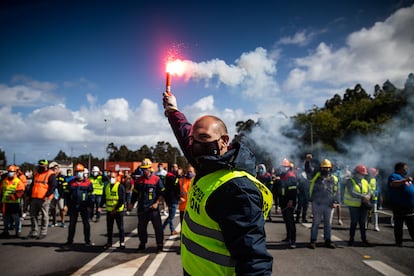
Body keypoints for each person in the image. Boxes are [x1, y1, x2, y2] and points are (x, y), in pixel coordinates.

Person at [163, 91, 273, 275]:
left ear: (224, 141)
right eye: (193, 140)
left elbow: (253, 259)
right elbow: (185, 133)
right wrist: (173, 110)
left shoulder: (237, 189)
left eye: (204, 138)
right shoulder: (207, 162)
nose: (196, 144)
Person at [130, 158, 165, 253]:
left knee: (158, 228)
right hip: (142, 208)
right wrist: (131, 203)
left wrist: (157, 203)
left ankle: (160, 245)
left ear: (150, 168)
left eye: (146, 168)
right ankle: (142, 243)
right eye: (143, 168)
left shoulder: (156, 179)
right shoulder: (139, 180)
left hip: (153, 209)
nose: (145, 170)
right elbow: (135, 193)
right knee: (141, 228)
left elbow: (161, 193)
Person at [307, 159, 339, 249]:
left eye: (328, 168)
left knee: (328, 223)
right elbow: (308, 171)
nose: (326, 170)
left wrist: (336, 202)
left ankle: (327, 240)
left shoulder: (334, 178)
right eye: (324, 168)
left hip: (329, 204)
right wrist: (308, 161)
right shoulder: (316, 176)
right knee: (316, 222)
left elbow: (337, 191)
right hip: (317, 203)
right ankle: (313, 241)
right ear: (320, 168)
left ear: (330, 168)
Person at [62, 163, 94, 249]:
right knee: (72, 224)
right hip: (73, 206)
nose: (78, 173)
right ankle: (69, 241)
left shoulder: (88, 182)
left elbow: (91, 195)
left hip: (84, 206)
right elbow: (67, 195)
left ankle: (87, 241)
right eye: (77, 172)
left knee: (86, 224)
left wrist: (90, 206)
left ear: (83, 172)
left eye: (80, 171)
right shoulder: (71, 183)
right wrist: (65, 205)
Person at [26, 159, 56, 240]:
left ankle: (43, 232)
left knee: (44, 216)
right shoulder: (36, 174)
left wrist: (47, 195)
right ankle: (34, 231)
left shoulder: (51, 174)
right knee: (33, 215)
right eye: (40, 165)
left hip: (44, 198)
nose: (41, 167)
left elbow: (53, 186)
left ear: (46, 166)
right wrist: (28, 195)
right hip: (34, 197)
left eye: (42, 166)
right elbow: (33, 185)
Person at [387, 162, 414, 246]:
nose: (407, 170)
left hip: (410, 206)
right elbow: (393, 183)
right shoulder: (394, 176)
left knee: (412, 225)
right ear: (399, 169)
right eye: (405, 168)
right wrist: (405, 180)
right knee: (399, 225)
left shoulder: (404, 177)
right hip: (399, 206)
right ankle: (399, 242)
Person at [344, 165, 372, 246]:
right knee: (354, 222)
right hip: (353, 205)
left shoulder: (365, 181)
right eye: (361, 173)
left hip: (363, 205)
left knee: (363, 223)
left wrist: (369, 195)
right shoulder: (350, 181)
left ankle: (364, 239)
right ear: (356, 173)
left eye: (364, 174)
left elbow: (369, 190)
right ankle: (351, 239)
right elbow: (352, 192)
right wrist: (363, 196)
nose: (363, 175)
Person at [100, 171, 126, 249]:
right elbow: (104, 197)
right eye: (110, 177)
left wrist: (116, 208)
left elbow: (122, 200)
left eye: (113, 177)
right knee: (109, 228)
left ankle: (122, 242)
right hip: (109, 210)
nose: (111, 179)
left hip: (118, 211)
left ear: (117, 178)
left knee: (120, 227)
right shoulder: (107, 186)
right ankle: (109, 242)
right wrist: (100, 206)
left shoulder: (119, 187)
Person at [276, 158, 298, 249]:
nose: (284, 168)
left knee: (290, 221)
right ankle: (288, 237)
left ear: (289, 167)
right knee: (286, 220)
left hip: (289, 201)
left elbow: (293, 190)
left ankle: (293, 241)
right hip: (283, 201)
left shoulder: (291, 176)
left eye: (285, 167)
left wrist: (291, 201)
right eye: (283, 166)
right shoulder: (281, 176)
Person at [0, 165, 25, 238]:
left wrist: (11, 197)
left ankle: (18, 231)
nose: (10, 173)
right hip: (5, 203)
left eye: (12, 172)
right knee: (5, 218)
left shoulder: (18, 181)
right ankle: (6, 231)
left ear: (15, 172)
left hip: (14, 203)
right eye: (9, 171)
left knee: (16, 218)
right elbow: (1, 191)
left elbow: (20, 192)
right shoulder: (4, 181)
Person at [162, 163, 180, 235]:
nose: (176, 169)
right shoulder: (171, 177)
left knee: (171, 215)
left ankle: (172, 230)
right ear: (172, 168)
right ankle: (161, 228)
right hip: (173, 199)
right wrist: (178, 177)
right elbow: (175, 186)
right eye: (175, 167)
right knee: (171, 216)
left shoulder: (170, 176)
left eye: (177, 167)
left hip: (170, 198)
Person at [368, 167, 380, 232]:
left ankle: (375, 225)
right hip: (366, 198)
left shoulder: (375, 180)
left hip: (374, 198)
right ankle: (365, 224)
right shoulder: (366, 179)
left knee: (374, 212)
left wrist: (375, 193)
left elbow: (378, 189)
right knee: (366, 212)